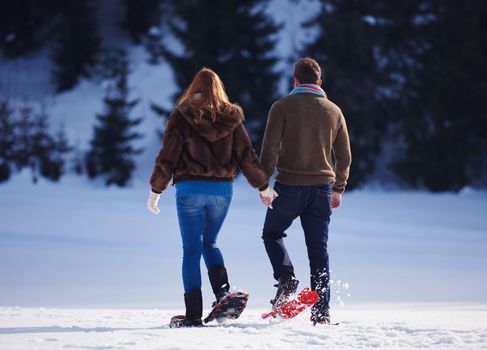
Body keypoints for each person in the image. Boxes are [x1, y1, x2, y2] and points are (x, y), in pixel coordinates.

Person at [147, 68, 273, 327]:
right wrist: (263, 186)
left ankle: (193, 315)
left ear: (194, 88)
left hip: (190, 190)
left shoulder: (182, 115)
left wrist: (156, 190)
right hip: (221, 192)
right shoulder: (233, 117)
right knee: (210, 243)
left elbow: (168, 155)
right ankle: (223, 294)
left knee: (191, 251)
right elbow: (246, 155)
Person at [258, 57, 352, 325]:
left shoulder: (282, 107)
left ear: (295, 80)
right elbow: (344, 157)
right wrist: (339, 188)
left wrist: (263, 184)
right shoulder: (333, 111)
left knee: (272, 233)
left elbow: (269, 150)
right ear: (319, 82)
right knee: (318, 252)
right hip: (322, 191)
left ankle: (286, 278)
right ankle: (321, 314)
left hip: (288, 188)